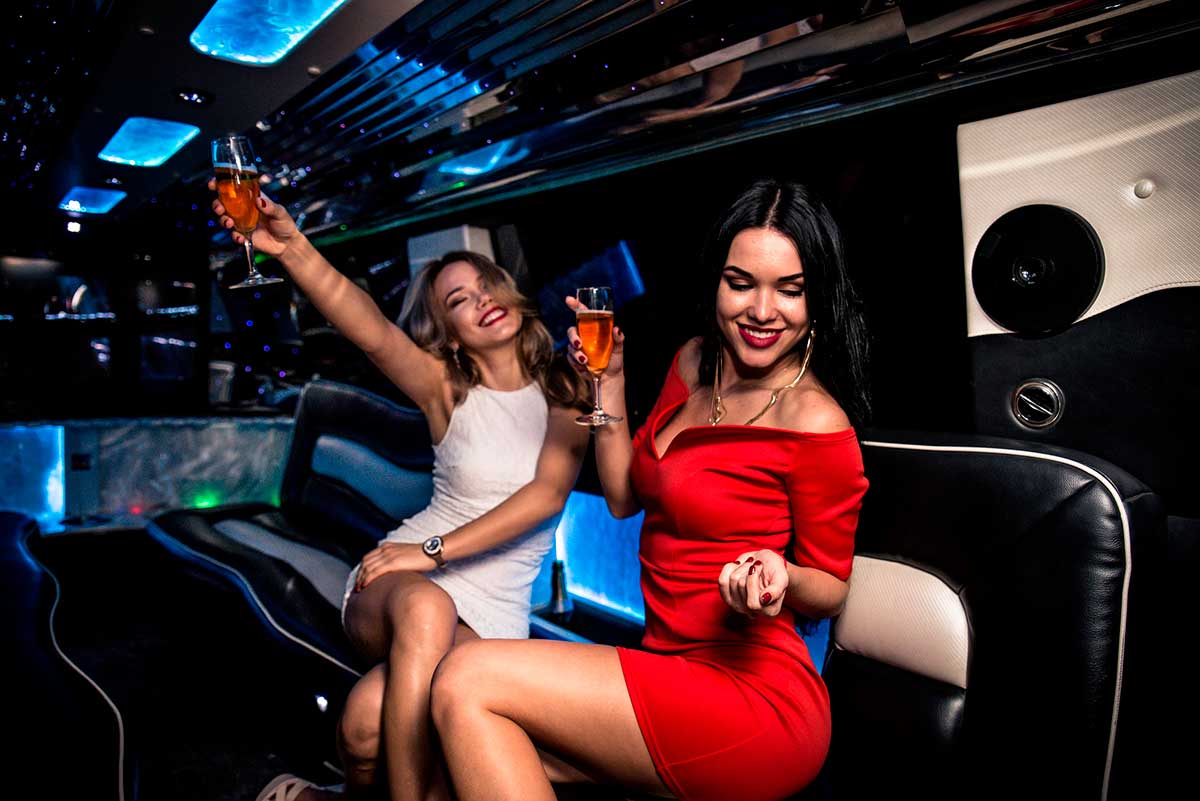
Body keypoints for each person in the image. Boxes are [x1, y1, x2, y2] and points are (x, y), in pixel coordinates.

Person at [428, 178, 871, 801]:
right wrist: (608, 382)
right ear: (716, 280)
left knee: (466, 677)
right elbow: (622, 498)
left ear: (816, 298)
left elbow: (830, 587)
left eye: (789, 291)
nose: (763, 311)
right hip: (665, 662)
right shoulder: (694, 362)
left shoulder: (815, 421)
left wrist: (781, 573)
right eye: (740, 283)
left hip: (755, 696)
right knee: (454, 756)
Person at [208, 183, 591, 801]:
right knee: (425, 609)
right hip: (401, 582)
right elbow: (369, 327)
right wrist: (292, 248)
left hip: (490, 615)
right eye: (459, 301)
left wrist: (432, 551)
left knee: (364, 720)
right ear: (450, 332)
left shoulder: (570, 394)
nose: (482, 301)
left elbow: (546, 497)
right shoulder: (446, 389)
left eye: (487, 284)